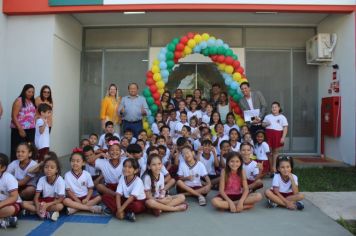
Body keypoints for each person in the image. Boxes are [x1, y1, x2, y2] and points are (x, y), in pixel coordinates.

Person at [21, 156, 64, 221]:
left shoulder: (60, 180)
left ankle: (33, 211)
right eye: (46, 167)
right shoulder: (42, 179)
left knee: (60, 206)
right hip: (43, 201)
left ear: (56, 170)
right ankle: (47, 214)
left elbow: (60, 199)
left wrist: (47, 205)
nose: (49, 169)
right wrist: (38, 209)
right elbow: (36, 198)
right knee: (23, 203)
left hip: (53, 202)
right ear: (43, 168)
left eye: (52, 167)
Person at [10, 84, 37, 161]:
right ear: (24, 91)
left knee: (29, 148)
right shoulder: (19, 100)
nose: (31, 93)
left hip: (31, 129)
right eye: (29, 91)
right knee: (18, 149)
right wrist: (20, 129)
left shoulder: (31, 101)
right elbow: (13, 116)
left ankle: (28, 168)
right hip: (19, 129)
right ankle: (15, 169)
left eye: (32, 92)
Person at [263, 102, 288, 174]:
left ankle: (274, 168)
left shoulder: (282, 117)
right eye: (273, 107)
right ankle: (269, 168)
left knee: (275, 152)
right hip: (268, 135)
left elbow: (285, 128)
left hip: (278, 135)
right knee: (269, 152)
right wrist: (266, 124)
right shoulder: (268, 116)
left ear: (279, 108)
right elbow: (263, 124)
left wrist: (283, 137)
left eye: (275, 107)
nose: (274, 108)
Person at [0, 153, 20, 229]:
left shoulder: (9, 178)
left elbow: (14, 197)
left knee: (11, 209)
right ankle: (5, 221)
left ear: (3, 168)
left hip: (11, 203)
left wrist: (1, 204)